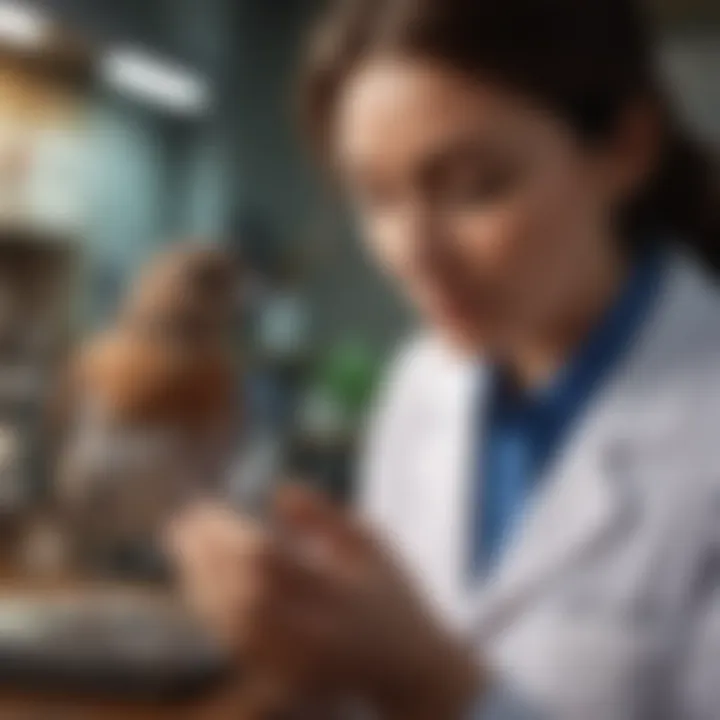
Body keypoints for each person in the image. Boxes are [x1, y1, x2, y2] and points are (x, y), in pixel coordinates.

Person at [168, 0, 720, 717]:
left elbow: (423, 671)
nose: (412, 254)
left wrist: (426, 677)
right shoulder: (428, 378)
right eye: (374, 196)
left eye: (474, 187)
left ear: (625, 148)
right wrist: (314, 653)